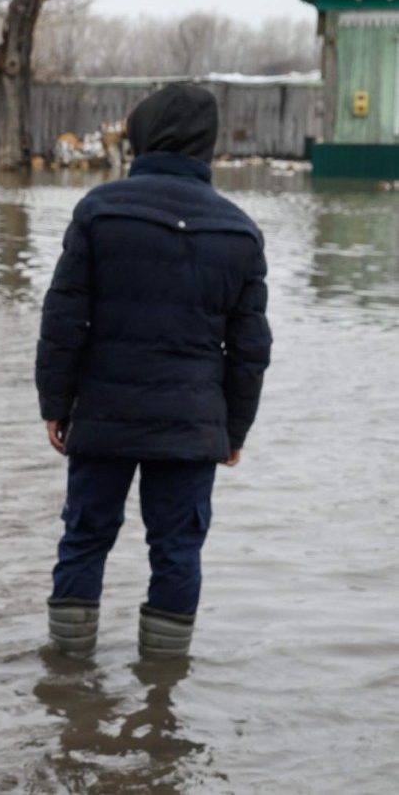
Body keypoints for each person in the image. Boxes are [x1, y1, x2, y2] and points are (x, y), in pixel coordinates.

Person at [34, 83, 271, 660]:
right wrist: (233, 431)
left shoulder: (99, 211)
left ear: (146, 133)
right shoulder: (239, 232)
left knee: (84, 540)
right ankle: (164, 697)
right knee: (177, 551)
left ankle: (68, 684)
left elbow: (63, 321)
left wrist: (55, 405)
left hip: (103, 418)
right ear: (206, 145)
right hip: (191, 429)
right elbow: (249, 351)